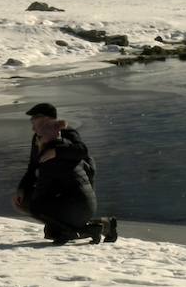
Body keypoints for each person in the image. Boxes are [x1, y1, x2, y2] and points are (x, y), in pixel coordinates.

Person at [12, 103, 117, 245]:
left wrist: (56, 152)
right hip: (63, 185)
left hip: (78, 183)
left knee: (42, 209)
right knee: (40, 215)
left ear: (46, 120)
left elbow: (82, 151)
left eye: (34, 120)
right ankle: (94, 226)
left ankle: (91, 228)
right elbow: (33, 167)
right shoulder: (38, 138)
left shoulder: (67, 133)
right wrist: (22, 189)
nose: (32, 125)